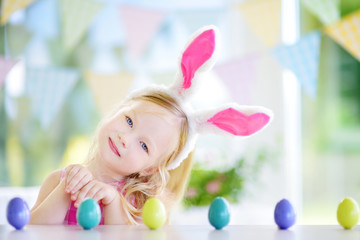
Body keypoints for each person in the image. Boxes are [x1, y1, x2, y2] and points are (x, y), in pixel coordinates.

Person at [29, 25, 273, 225]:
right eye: (129, 121)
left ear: (150, 169)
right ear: (117, 111)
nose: (126, 137)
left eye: (144, 145)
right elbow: (30, 232)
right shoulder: (58, 181)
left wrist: (112, 202)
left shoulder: (137, 204)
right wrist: (66, 190)